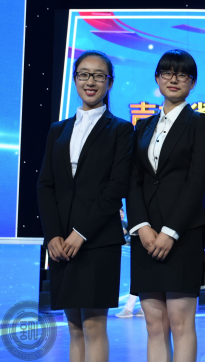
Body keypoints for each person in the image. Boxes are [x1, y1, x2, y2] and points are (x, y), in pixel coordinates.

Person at [37, 50, 134, 362]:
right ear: (75, 78)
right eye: (84, 74)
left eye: (98, 76)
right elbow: (45, 185)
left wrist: (81, 233)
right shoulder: (58, 129)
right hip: (61, 244)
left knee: (93, 325)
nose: (90, 81)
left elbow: (116, 188)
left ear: (109, 82)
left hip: (98, 240)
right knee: (74, 327)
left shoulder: (120, 129)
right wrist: (53, 235)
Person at [127, 49, 205, 362]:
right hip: (146, 236)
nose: (173, 79)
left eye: (182, 74)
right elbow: (134, 180)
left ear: (192, 82)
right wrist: (141, 226)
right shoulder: (142, 126)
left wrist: (170, 231)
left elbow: (197, 181)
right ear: (157, 78)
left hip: (183, 234)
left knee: (180, 323)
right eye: (167, 72)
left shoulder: (201, 124)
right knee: (154, 324)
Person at [116, 206, 145, 318]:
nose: (121, 214)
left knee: (137, 280)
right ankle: (136, 308)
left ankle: (132, 309)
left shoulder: (128, 225)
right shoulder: (115, 226)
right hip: (125, 257)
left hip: (134, 256)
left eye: (122, 212)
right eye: (120, 212)